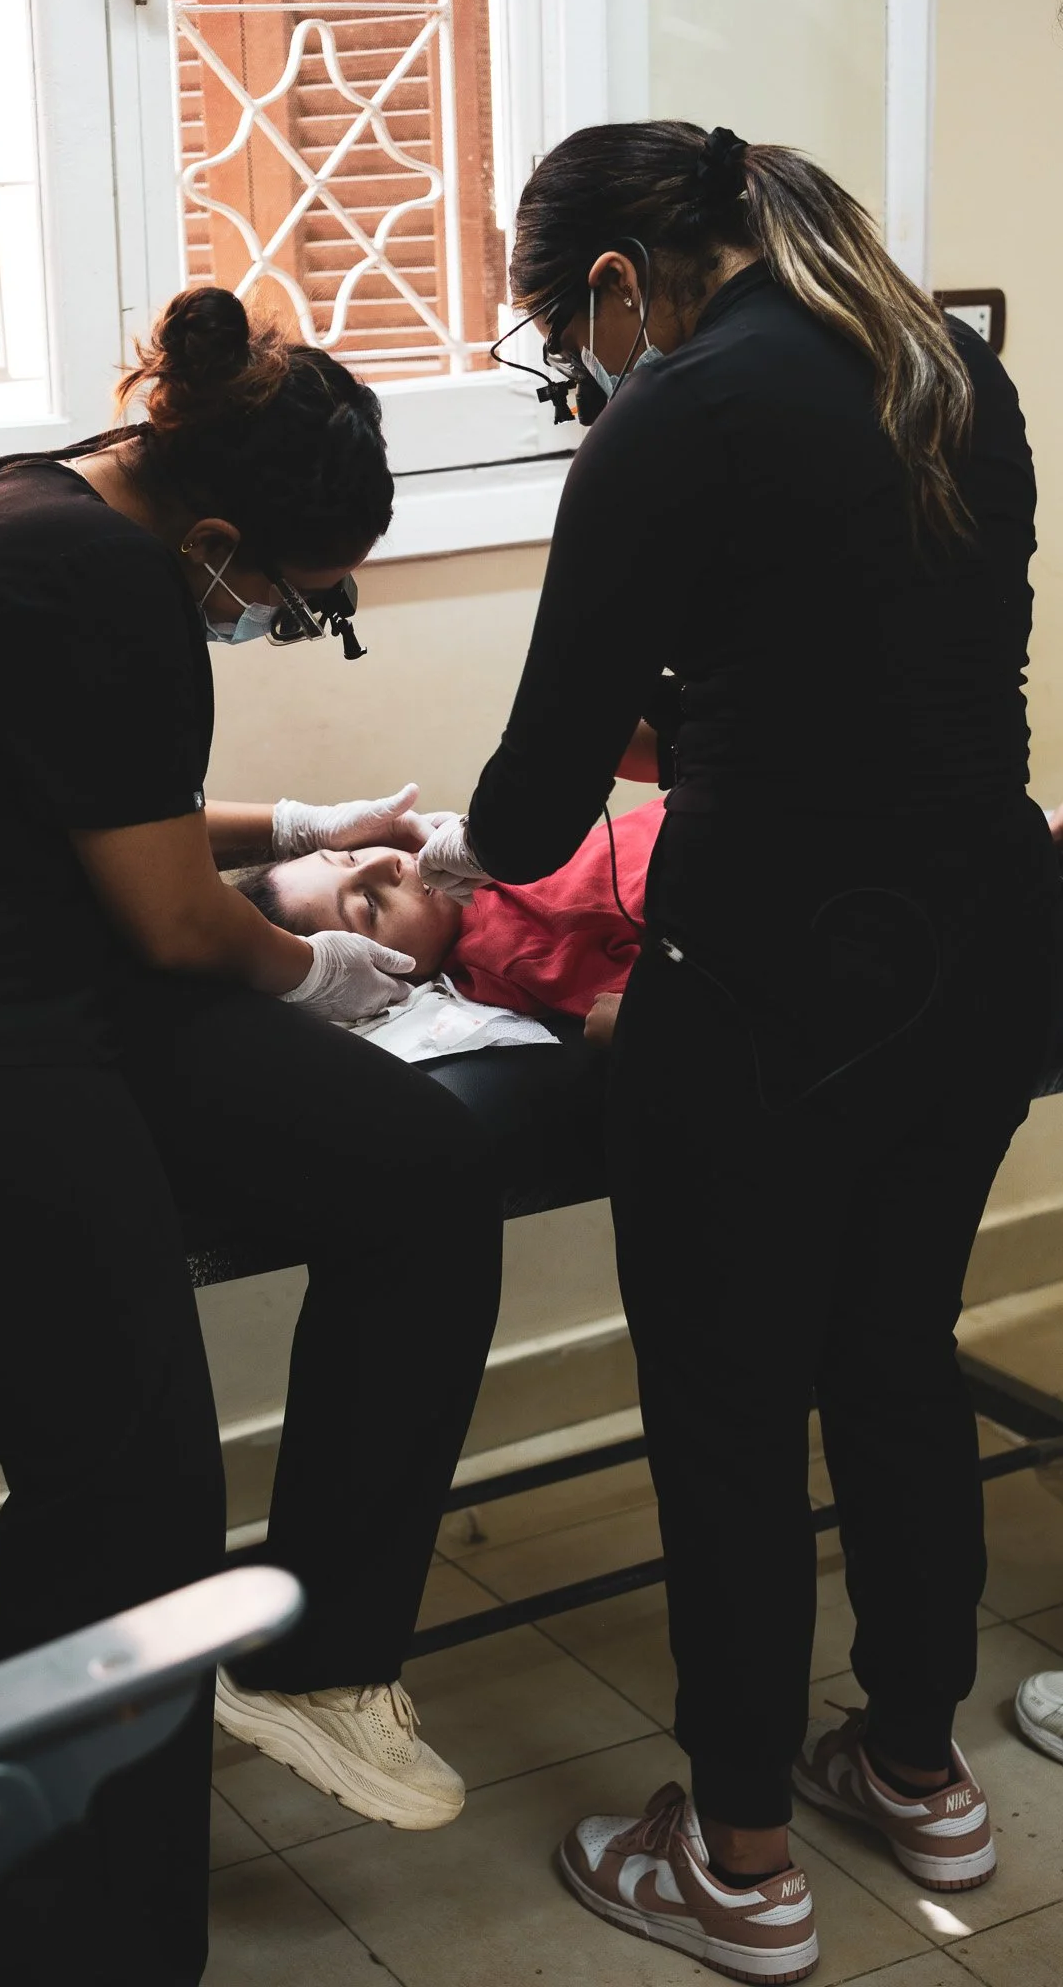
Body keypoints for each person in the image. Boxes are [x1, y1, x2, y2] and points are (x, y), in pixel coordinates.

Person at [0, 288, 505, 1984]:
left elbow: (105, 801)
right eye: (296, 597)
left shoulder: (56, 501)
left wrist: (298, 826)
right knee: (132, 1481)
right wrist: (315, 966)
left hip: (25, 976)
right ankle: (94, 1942)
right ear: (221, 540)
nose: (288, 621)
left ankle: (316, 1663)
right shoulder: (98, 576)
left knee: (426, 1173)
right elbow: (168, 917)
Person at [415, 122, 1059, 1984]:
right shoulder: (946, 367)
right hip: (983, 950)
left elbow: (534, 806)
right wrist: (699, 721)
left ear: (620, 283)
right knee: (894, 1356)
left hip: (774, 977)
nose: (578, 368)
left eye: (566, 331)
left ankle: (739, 1857)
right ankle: (921, 1769)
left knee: (727, 1405)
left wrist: (445, 851)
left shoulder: (673, 412)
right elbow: (898, 685)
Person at [235, 788, 668, 1045]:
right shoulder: (512, 955)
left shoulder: (477, 865)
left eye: (349, 856)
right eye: (369, 906)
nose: (386, 862)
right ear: (375, 976)